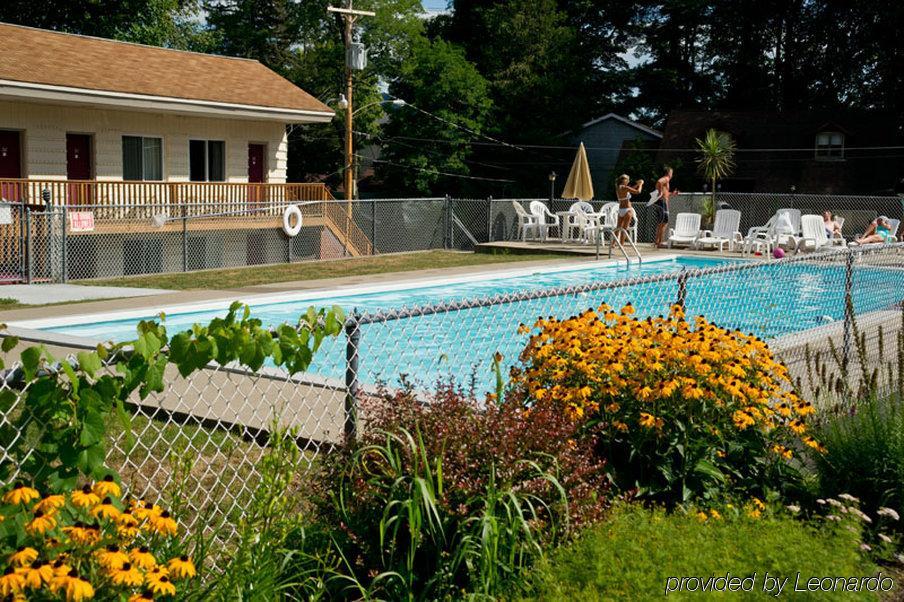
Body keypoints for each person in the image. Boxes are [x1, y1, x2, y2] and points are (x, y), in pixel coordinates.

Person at [653, 166, 679, 248]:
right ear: (669, 173)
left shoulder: (666, 181)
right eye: (672, 173)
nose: (672, 174)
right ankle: (660, 242)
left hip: (661, 202)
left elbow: (666, 192)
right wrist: (660, 192)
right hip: (662, 202)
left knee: (661, 222)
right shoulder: (666, 179)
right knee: (664, 222)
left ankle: (657, 242)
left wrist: (672, 193)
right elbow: (659, 182)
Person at [614, 174, 643, 245]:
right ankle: (621, 245)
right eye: (628, 179)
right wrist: (641, 184)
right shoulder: (625, 187)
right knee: (624, 228)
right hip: (627, 210)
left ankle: (613, 244)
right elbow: (638, 192)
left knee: (618, 228)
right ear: (624, 180)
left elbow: (630, 189)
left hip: (621, 210)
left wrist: (637, 184)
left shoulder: (619, 187)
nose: (629, 181)